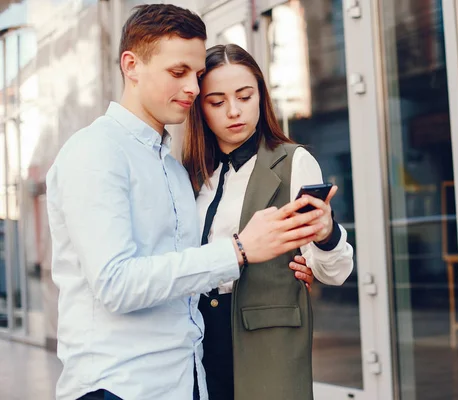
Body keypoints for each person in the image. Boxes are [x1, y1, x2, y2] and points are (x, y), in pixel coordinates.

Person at [46, 5, 323, 400]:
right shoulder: (95, 152)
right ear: (131, 66)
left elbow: (183, 276)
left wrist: (286, 271)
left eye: (195, 75)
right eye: (178, 73)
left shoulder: (176, 170)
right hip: (118, 386)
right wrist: (240, 250)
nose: (193, 88)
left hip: (184, 379)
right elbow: (116, 284)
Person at [183, 43, 354, 400]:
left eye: (245, 96)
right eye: (217, 102)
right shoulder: (191, 172)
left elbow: (334, 272)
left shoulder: (293, 162)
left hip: (266, 339)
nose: (234, 111)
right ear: (200, 108)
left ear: (261, 96)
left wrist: (325, 235)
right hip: (195, 339)